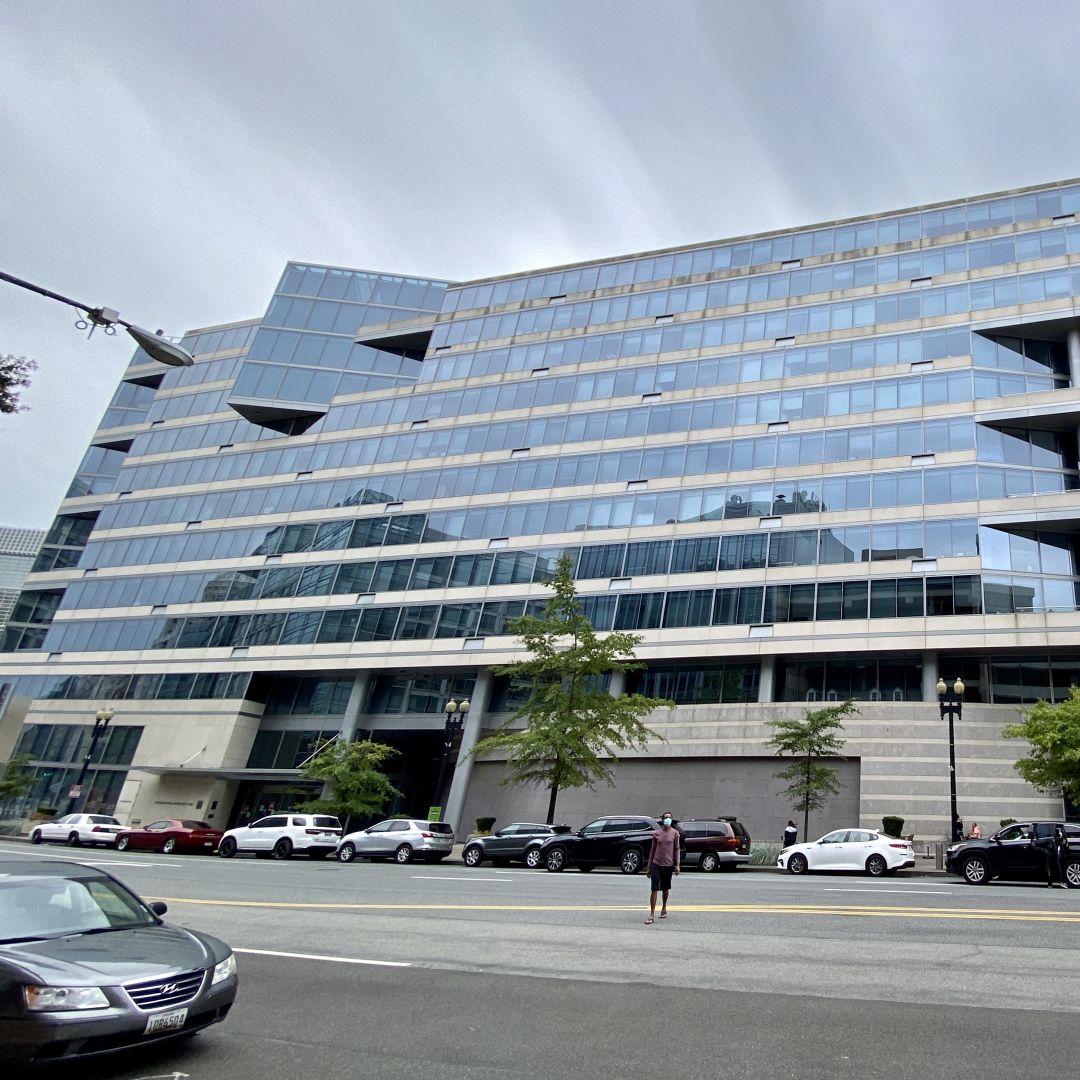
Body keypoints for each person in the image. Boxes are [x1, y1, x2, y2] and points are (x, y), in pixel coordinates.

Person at [645, 811, 680, 925]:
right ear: (663, 820)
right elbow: (652, 850)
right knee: (654, 889)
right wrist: (649, 867)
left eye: (669, 818)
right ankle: (651, 914)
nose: (668, 820)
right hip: (656, 864)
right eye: (666, 818)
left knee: (665, 888)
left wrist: (677, 864)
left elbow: (677, 849)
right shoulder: (656, 834)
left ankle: (664, 907)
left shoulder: (675, 833)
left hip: (668, 865)